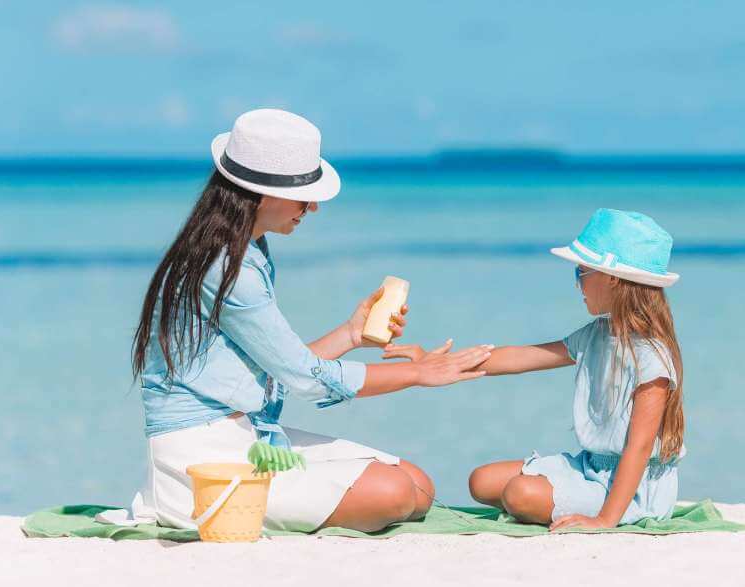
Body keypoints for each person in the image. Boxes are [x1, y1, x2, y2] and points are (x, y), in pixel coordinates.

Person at [131, 109, 491, 533]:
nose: (314, 207)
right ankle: (177, 500)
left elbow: (276, 368)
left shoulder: (248, 250)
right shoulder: (229, 269)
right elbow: (305, 378)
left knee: (416, 484)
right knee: (395, 493)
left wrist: (352, 333)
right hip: (203, 459)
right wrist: (418, 373)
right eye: (306, 195)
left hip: (250, 436)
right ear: (262, 194)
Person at [385, 208, 685, 529]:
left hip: (636, 486)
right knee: (481, 481)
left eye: (581, 273)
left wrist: (605, 520)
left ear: (612, 280)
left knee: (519, 493)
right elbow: (519, 357)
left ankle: (600, 507)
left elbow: (639, 447)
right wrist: (436, 363)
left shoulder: (652, 357)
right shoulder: (596, 335)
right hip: (590, 467)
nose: (577, 285)